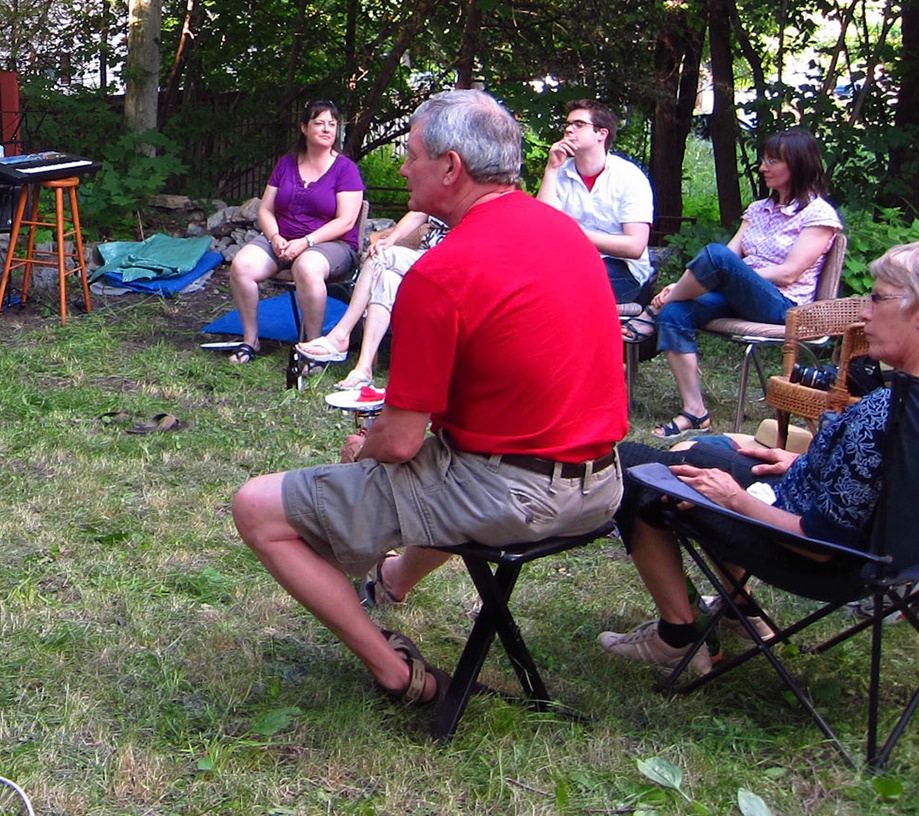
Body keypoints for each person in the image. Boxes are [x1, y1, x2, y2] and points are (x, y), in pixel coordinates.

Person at [232, 90, 626, 708]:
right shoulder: (566, 233)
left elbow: (400, 442)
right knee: (442, 461)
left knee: (258, 506)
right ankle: (390, 582)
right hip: (601, 484)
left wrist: (367, 449)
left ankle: (395, 671)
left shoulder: (442, 274)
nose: (403, 165)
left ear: (451, 166)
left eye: (410, 155)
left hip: (518, 497)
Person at [599, 239, 919, 678]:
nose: (865, 313)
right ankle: (737, 612)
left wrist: (734, 499)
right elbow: (903, 478)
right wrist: (805, 463)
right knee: (706, 452)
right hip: (903, 553)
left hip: (823, 560)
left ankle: (677, 639)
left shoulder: (881, 413)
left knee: (635, 466)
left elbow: (815, 544)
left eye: (879, 298)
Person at [645, 128, 843, 439]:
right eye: (764, 159)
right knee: (676, 313)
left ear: (797, 165)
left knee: (716, 257)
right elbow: (731, 258)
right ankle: (695, 411)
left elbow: (789, 273)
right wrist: (712, 279)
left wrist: (734, 275)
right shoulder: (758, 209)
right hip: (741, 297)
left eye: (772, 161)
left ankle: (653, 311)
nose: (763, 167)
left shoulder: (818, 214)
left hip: (784, 306)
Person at [219, 100, 364, 364]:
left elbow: (345, 222)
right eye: (319, 123)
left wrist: (306, 242)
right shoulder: (286, 164)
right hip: (283, 239)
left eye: (332, 124)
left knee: (307, 266)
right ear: (303, 128)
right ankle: (250, 340)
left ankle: (313, 348)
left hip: (332, 245)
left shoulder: (346, 170)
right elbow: (265, 209)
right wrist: (275, 237)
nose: (326, 129)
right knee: (242, 265)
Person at [292, 211, 439, 402]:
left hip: (448, 261)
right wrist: (391, 238)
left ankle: (340, 336)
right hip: (424, 257)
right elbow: (418, 213)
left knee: (381, 255)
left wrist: (387, 245)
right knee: (387, 278)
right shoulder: (441, 187)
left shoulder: (470, 190)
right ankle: (364, 368)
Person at [536, 101, 655, 303]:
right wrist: (552, 168)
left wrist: (572, 232)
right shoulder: (560, 174)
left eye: (579, 124)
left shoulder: (629, 177)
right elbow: (541, 226)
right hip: (568, 264)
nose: (568, 129)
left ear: (601, 134)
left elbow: (635, 246)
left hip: (621, 270)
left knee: (564, 288)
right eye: (568, 124)